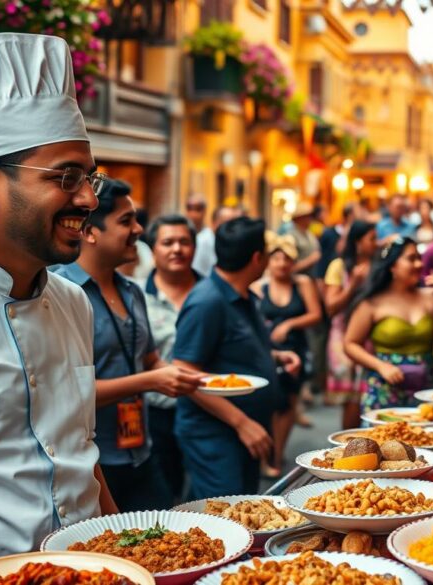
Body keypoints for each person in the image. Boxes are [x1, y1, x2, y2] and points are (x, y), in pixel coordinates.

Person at [0, 33, 115, 574]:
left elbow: (81, 459)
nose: (89, 198)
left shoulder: (73, 302)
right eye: (66, 177)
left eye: (90, 177)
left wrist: (130, 559)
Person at [57, 180, 203, 512]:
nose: (139, 230)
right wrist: (150, 381)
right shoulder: (60, 292)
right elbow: (67, 392)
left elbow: (150, 359)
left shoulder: (132, 291)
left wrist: (192, 377)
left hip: (140, 450)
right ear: (89, 232)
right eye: (126, 221)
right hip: (92, 460)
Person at [171, 217, 301, 498]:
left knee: (239, 507)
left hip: (245, 429)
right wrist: (241, 423)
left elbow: (232, 349)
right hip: (217, 433)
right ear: (257, 258)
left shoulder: (242, 294)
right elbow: (183, 371)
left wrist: (275, 357)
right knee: (224, 513)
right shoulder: (207, 301)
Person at [345, 237, 433, 410]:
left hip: (426, 387)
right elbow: (350, 344)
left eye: (419, 258)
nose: (419, 264)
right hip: (385, 387)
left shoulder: (431, 297)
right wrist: (380, 366)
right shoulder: (372, 303)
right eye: (411, 259)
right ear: (392, 266)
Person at [143, 213, 202, 501]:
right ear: (153, 249)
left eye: (184, 242)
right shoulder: (137, 296)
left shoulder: (210, 293)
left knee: (208, 494)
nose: (177, 249)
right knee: (165, 493)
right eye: (167, 243)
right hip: (158, 413)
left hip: (207, 408)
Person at [258, 232, 323, 476]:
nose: (282, 264)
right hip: (267, 351)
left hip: (296, 349)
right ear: (269, 260)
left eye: (287, 259)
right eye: (277, 258)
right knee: (268, 403)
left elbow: (316, 314)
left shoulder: (302, 283)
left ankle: (276, 455)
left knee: (288, 403)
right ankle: (266, 455)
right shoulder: (259, 286)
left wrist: (289, 324)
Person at [323, 220, 378, 428]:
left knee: (367, 393)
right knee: (351, 397)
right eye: (371, 239)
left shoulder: (378, 266)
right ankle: (349, 440)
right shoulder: (338, 266)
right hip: (343, 335)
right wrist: (353, 284)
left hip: (371, 335)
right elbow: (331, 306)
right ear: (357, 242)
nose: (376, 243)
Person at [191, 204, 244, 276]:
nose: (233, 228)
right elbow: (197, 271)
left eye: (234, 224)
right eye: (228, 223)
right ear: (214, 223)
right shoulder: (202, 241)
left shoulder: (230, 241)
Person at [287, 202, 322, 275]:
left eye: (311, 216)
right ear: (299, 218)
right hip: (298, 278)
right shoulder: (290, 237)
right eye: (307, 216)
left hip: (312, 277)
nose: (310, 219)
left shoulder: (310, 234)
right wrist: (310, 260)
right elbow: (288, 267)